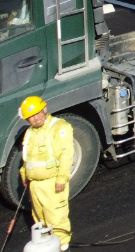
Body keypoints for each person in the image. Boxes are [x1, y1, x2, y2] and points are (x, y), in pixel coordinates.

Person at [18, 96, 73, 251]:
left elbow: (66, 155)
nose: (35, 119)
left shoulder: (59, 127)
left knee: (56, 217)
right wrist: (24, 174)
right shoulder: (30, 133)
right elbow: (27, 157)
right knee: (40, 218)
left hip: (52, 182)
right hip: (35, 185)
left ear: (44, 110)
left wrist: (61, 178)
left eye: (37, 114)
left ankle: (62, 246)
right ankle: (46, 245)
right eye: (30, 117)